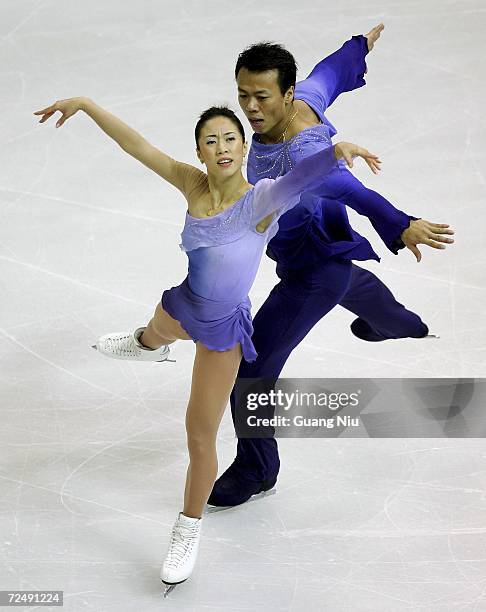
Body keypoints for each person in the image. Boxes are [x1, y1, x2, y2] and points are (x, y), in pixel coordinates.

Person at [33, 97, 379, 592]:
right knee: (158, 329)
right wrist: (87, 106)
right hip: (183, 306)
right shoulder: (191, 184)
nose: (222, 147)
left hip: (221, 334)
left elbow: (298, 180)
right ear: (200, 151)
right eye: (211, 140)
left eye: (231, 138)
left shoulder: (261, 199)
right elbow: (137, 147)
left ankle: (186, 528)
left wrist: (335, 152)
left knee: (199, 435)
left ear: (243, 148)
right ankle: (144, 343)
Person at [207, 25, 455, 508]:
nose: (251, 108)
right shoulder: (307, 97)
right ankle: (402, 324)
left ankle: (257, 470)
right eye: (243, 95)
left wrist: (399, 222)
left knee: (252, 372)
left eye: (262, 96)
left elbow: (346, 188)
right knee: (357, 288)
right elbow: (330, 74)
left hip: (310, 272)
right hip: (331, 258)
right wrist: (358, 47)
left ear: (287, 94)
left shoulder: (304, 147)